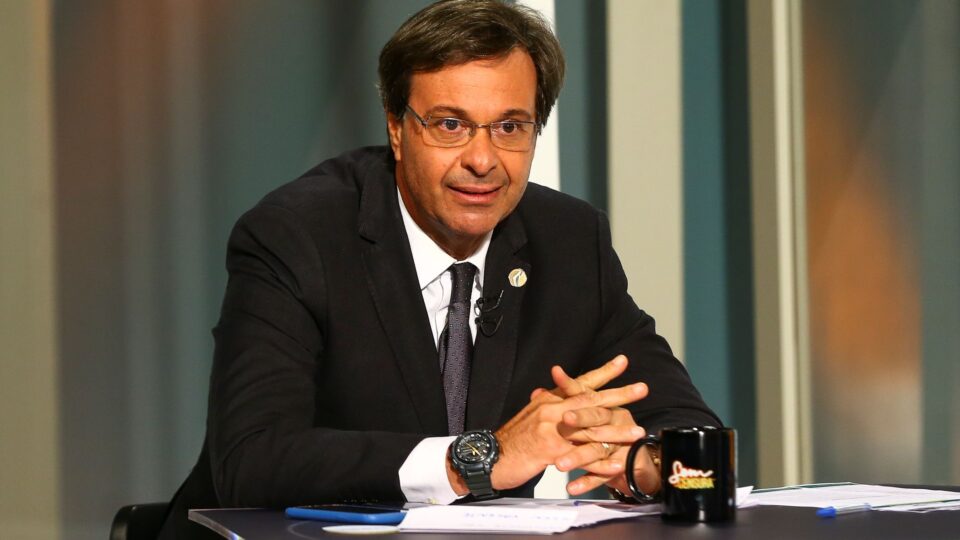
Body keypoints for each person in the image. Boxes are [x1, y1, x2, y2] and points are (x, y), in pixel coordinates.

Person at [159, 0, 719, 537]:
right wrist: (476, 459)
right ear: (397, 129)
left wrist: (646, 463)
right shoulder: (298, 235)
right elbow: (251, 458)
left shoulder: (569, 241)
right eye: (451, 125)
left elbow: (700, 444)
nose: (482, 159)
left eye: (510, 127)